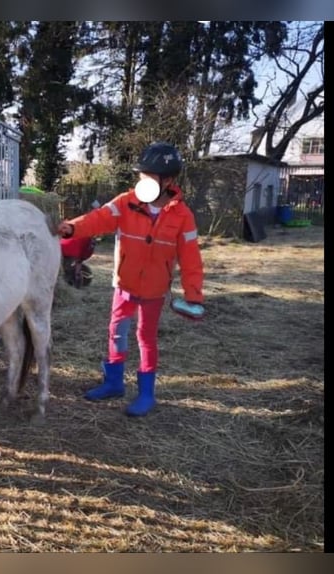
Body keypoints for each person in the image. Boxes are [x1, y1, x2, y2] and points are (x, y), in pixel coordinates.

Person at [57, 142, 205, 416]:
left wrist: (193, 295)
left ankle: (146, 393)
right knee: (116, 331)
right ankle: (113, 382)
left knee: (145, 338)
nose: (143, 182)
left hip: (154, 290)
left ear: (168, 180)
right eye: (141, 176)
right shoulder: (126, 202)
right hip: (123, 285)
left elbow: (191, 259)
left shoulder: (182, 216)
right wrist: (72, 228)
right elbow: (98, 219)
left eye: (149, 177)